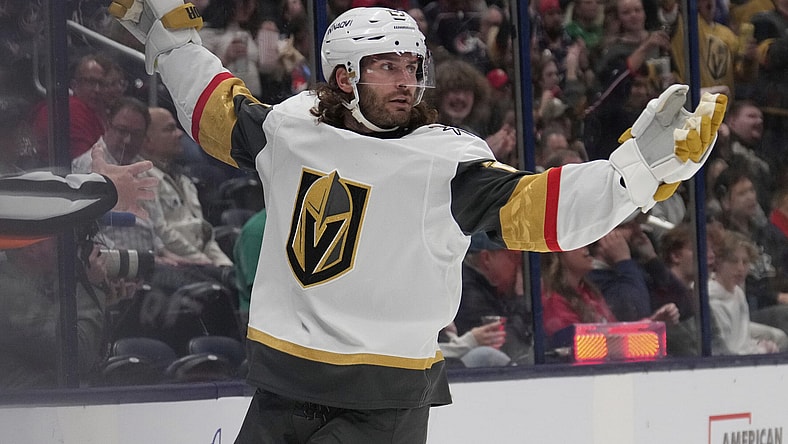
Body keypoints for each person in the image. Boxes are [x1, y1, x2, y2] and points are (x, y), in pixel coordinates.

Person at [112, 3, 726, 441]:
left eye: (413, 66)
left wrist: (631, 176)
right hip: (282, 380)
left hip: (382, 404)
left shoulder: (444, 164)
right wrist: (173, 45)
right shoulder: (290, 127)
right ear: (345, 75)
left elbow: (539, 209)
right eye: (388, 67)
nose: (408, 81)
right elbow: (216, 111)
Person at [0, 236, 109, 389]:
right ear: (31, 247)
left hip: (40, 402)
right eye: (54, 235)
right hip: (32, 405)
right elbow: (77, 354)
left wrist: (104, 300)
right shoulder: (11, 296)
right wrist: (92, 288)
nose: (61, 244)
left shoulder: (27, 282)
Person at [140, 106, 233, 268]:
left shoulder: (185, 180)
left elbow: (204, 233)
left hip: (203, 263)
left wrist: (224, 265)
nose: (179, 133)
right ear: (148, 140)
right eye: (170, 129)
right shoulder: (143, 178)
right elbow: (162, 233)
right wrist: (206, 263)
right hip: (175, 265)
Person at [453, 232, 533, 365]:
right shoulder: (467, 293)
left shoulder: (490, 287)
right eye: (513, 257)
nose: (519, 265)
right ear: (486, 258)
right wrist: (519, 299)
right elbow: (507, 346)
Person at [707, 229, 788, 354]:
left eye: (745, 262)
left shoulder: (738, 292)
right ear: (718, 262)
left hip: (746, 354)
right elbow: (730, 350)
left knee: (779, 338)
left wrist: (758, 345)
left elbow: (742, 338)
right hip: (730, 364)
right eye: (734, 261)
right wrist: (760, 350)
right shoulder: (712, 299)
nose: (740, 268)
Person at [31, 53, 108, 160]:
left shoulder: (94, 111)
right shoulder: (70, 110)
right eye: (90, 82)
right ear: (74, 85)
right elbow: (83, 164)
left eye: (101, 83)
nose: (97, 89)